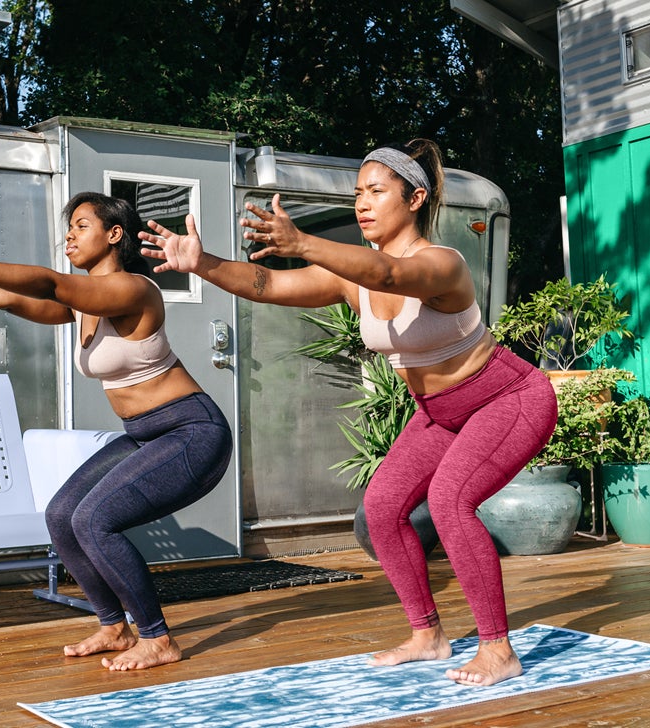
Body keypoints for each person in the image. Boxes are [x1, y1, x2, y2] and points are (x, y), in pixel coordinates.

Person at [141, 139, 557, 687]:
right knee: (382, 508)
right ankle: (428, 635)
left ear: (415, 199)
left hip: (507, 398)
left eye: (376, 191)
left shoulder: (442, 263)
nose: (362, 203)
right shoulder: (351, 277)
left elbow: (390, 276)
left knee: (450, 501)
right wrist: (204, 264)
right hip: (440, 411)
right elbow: (269, 284)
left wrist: (303, 241)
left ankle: (498, 649)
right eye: (358, 193)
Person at [0, 192, 233, 671]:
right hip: (144, 433)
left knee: (94, 519)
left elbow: (50, 283)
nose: (69, 236)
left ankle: (157, 638)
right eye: (68, 228)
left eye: (81, 226)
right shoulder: (83, 304)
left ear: (114, 234)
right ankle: (113, 627)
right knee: (61, 516)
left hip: (191, 431)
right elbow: (10, 299)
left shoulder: (134, 289)